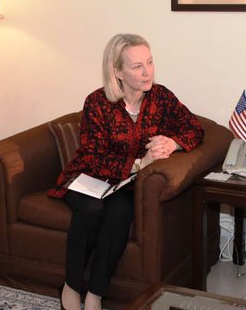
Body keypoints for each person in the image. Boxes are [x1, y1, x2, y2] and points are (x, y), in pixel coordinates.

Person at [47, 34, 204, 310]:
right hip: (88, 179)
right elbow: (92, 155)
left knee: (120, 212)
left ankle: (96, 294)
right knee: (93, 210)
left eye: (150, 62)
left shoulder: (161, 97)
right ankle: (71, 286)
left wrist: (174, 142)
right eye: (137, 66)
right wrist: (138, 163)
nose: (147, 72)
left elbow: (195, 128)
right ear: (117, 71)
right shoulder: (97, 102)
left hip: (124, 186)